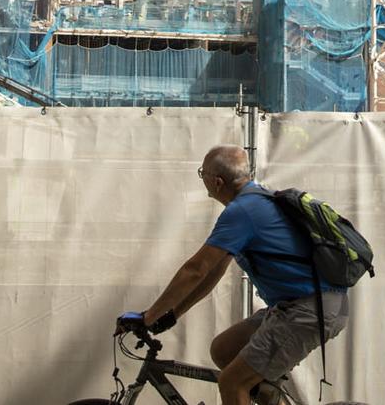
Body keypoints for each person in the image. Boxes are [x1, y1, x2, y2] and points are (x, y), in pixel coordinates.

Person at [117, 146, 348, 405]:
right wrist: (172, 315)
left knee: (232, 382)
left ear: (217, 182)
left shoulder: (243, 211)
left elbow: (195, 269)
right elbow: (211, 274)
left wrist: (148, 317)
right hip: (299, 306)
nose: (202, 178)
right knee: (224, 349)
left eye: (202, 173)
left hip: (309, 310)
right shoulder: (255, 201)